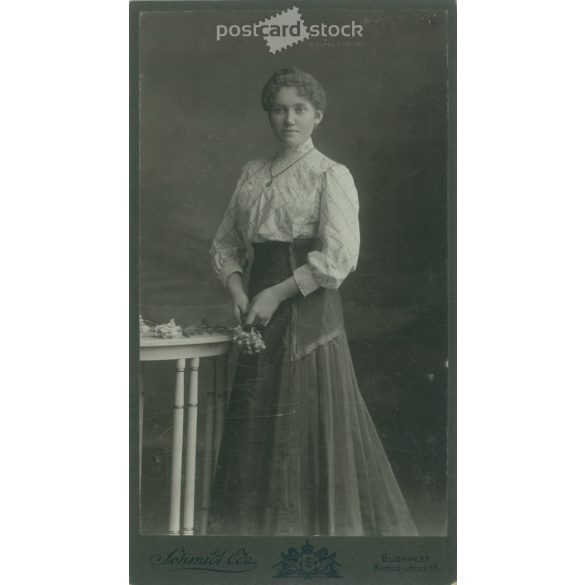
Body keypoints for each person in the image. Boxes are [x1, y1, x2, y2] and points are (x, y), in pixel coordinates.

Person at [208, 68, 418, 536]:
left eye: (299, 109)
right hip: (257, 312)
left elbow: (339, 258)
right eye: (279, 109)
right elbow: (225, 244)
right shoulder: (252, 173)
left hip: (306, 311)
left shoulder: (330, 174)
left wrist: (275, 293)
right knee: (257, 426)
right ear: (269, 115)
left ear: (317, 115)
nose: (289, 119)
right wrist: (240, 291)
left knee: (302, 425)